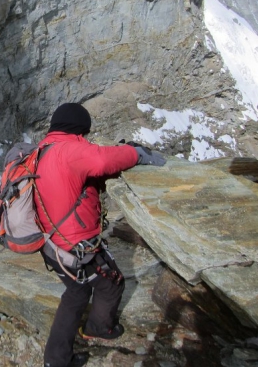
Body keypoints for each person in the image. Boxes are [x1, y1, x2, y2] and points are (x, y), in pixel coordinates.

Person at [36, 103, 166, 367]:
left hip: (51, 243)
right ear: (79, 129)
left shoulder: (43, 149)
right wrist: (134, 153)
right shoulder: (69, 150)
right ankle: (98, 329)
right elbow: (101, 160)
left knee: (77, 292)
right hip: (75, 247)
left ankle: (58, 358)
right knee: (111, 282)